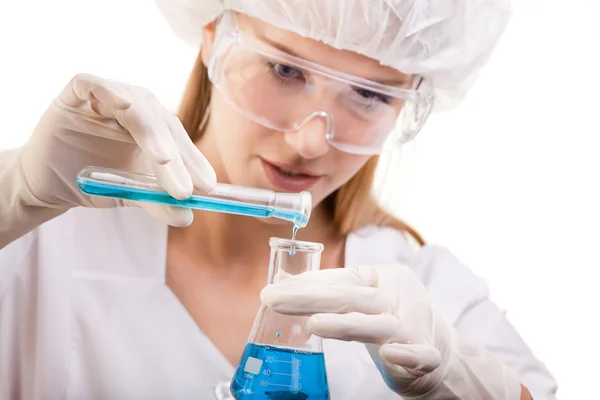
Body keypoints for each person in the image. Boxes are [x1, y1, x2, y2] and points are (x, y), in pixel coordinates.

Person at [0, 1, 558, 399]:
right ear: (214, 35)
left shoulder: (431, 299)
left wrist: (458, 379)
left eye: (369, 94)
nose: (310, 141)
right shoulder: (40, 235)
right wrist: (11, 194)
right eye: (285, 69)